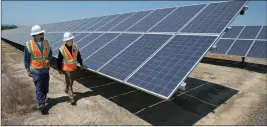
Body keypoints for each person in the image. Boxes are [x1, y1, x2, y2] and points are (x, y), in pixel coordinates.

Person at [24, 25, 52, 115]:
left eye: (42, 33)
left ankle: (43, 99)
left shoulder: (47, 43)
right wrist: (28, 69)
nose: (42, 34)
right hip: (35, 70)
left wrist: (48, 59)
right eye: (41, 33)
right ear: (35, 35)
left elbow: (50, 54)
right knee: (39, 87)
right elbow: (26, 58)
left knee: (45, 87)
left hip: (45, 69)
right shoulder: (29, 45)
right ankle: (41, 105)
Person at [57, 32, 83, 105]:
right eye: (69, 40)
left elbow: (78, 56)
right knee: (69, 83)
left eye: (71, 39)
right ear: (66, 41)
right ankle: (71, 97)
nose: (71, 41)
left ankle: (67, 89)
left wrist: (81, 63)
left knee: (71, 82)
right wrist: (59, 69)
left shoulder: (75, 47)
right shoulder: (62, 49)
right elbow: (59, 60)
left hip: (74, 68)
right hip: (66, 69)